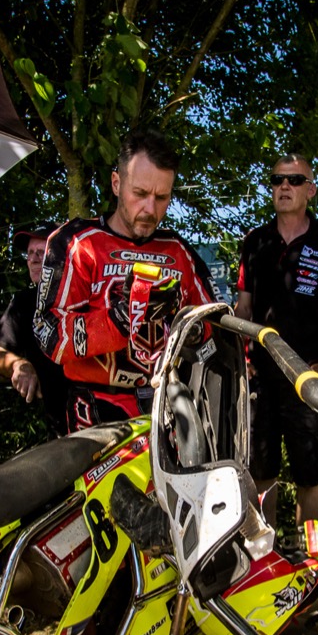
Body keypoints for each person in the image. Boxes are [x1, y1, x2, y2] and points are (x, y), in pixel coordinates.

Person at [35, 128, 216, 432]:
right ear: (116, 183)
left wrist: (190, 328)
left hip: (167, 406)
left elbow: (216, 329)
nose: (150, 209)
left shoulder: (178, 251)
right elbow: (48, 333)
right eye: (140, 194)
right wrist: (119, 320)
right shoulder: (77, 243)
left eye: (162, 197)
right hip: (96, 406)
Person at [234, 154, 318, 527]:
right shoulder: (255, 241)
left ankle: (307, 548)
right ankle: (268, 548)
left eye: (294, 180)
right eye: (277, 180)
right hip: (259, 378)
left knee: (311, 470)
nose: (284, 186)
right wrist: (241, 360)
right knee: (260, 469)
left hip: (309, 376)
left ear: (310, 190)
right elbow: (243, 308)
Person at [0, 223, 70, 437]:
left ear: (62, 257)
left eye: (41, 252)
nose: (33, 259)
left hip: (107, 415)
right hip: (60, 428)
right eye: (30, 253)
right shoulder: (23, 303)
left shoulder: (86, 294)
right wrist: (18, 365)